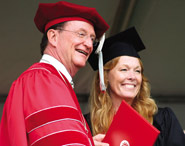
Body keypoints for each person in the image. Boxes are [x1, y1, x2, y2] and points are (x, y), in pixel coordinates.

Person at [0, 1, 110, 146]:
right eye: (81, 34)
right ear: (53, 37)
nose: (89, 44)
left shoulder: (51, 80)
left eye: (91, 38)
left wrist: (88, 141)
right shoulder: (43, 80)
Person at [85, 27, 185, 146]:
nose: (132, 76)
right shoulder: (85, 126)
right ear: (105, 77)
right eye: (124, 69)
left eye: (137, 71)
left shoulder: (162, 120)